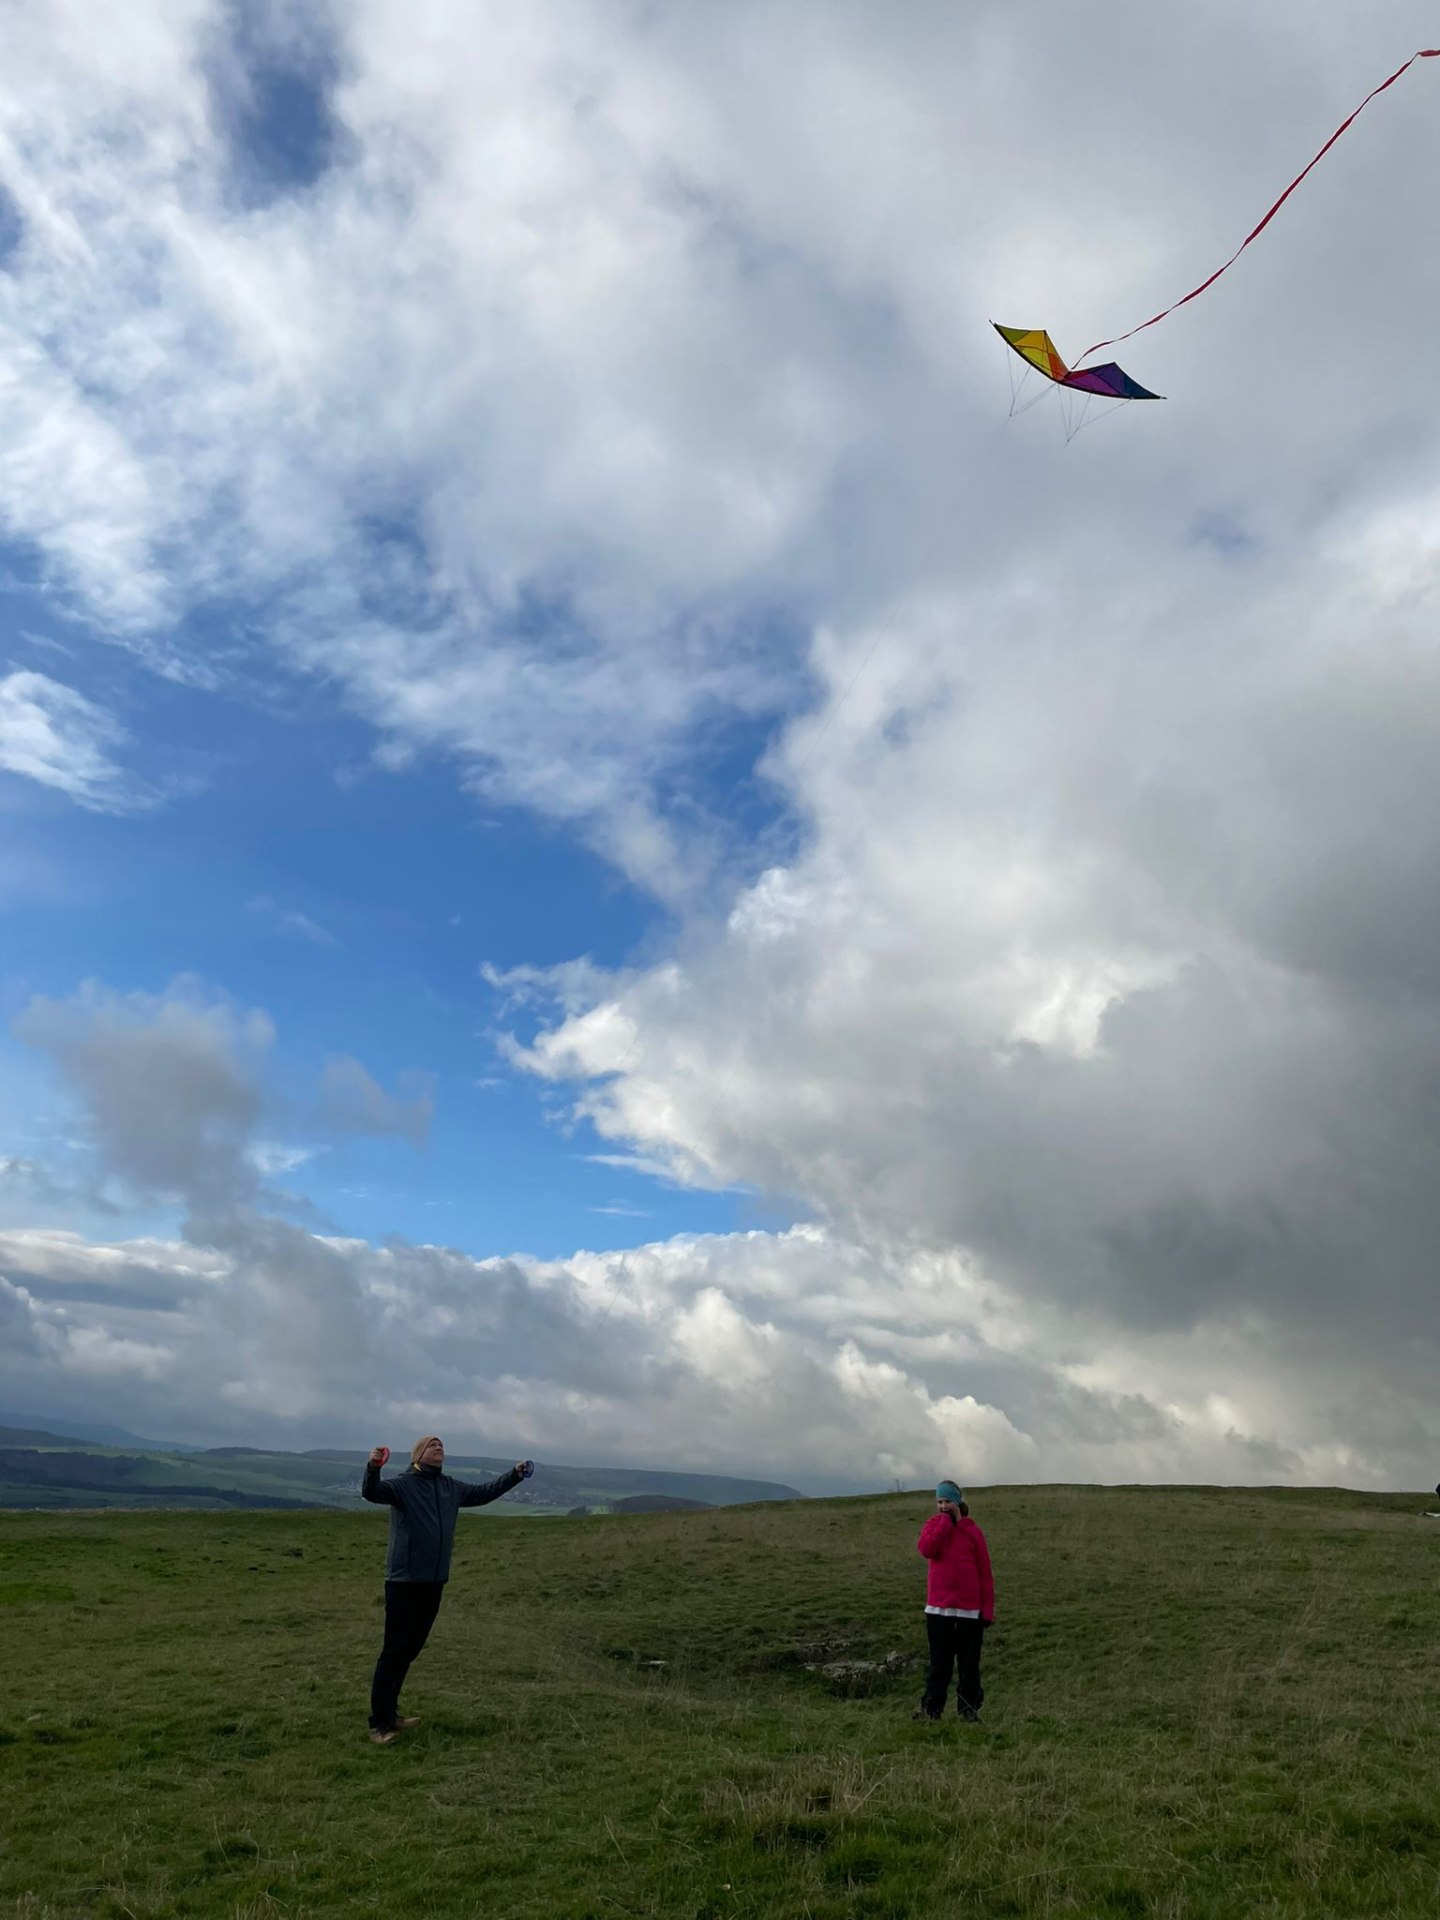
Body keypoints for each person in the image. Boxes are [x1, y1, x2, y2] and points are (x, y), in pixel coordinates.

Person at [362, 1435, 534, 1744]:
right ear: (418, 1454)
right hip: (404, 1581)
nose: (439, 1448)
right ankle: (380, 1724)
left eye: (441, 1445)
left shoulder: (449, 1487)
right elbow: (372, 1492)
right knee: (394, 1651)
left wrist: (514, 1475)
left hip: (434, 1582)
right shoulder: (403, 1485)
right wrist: (373, 1467)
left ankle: (391, 1713)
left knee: (410, 1650)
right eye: (432, 1445)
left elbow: (484, 1493)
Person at [914, 1479, 994, 1723]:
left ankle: (968, 1710)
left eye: (947, 1501)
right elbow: (927, 1549)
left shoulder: (973, 1532)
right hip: (938, 1611)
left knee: (969, 1666)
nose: (943, 1506)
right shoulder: (933, 1526)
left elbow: (985, 1573)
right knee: (940, 1664)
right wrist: (944, 1525)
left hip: (970, 1613)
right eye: (939, 1501)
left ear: (958, 1502)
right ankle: (932, 1710)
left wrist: (987, 1611)